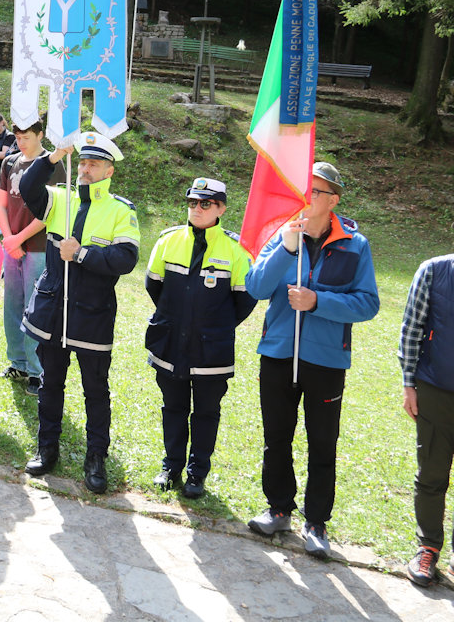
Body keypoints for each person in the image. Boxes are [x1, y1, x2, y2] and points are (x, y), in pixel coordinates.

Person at [245, 161, 379, 558]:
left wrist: (318, 301)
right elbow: (256, 286)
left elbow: (368, 303)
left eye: (315, 192)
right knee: (277, 437)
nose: (307, 198)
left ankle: (316, 522)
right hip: (278, 353)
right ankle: (278, 509)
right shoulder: (282, 234)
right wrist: (287, 248)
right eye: (304, 190)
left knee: (322, 442)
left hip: (326, 361)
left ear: (333, 200)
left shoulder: (356, 245)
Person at [19, 131, 140, 494]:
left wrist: (82, 254)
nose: (86, 169)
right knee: (50, 384)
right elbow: (27, 187)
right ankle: (47, 448)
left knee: (95, 390)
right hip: (53, 312)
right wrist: (54, 156)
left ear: (109, 171)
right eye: (83, 162)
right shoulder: (60, 198)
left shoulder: (121, 210)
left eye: (94, 164)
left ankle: (96, 457)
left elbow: (126, 259)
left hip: (92, 315)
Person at [145, 178, 256, 498]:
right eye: (192, 202)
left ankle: (196, 474)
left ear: (221, 208)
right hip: (170, 342)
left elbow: (244, 301)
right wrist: (177, 319)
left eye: (205, 203)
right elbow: (154, 287)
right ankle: (171, 466)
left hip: (211, 349)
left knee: (206, 411)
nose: (196, 208)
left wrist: (213, 327)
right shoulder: (168, 240)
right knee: (173, 407)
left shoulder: (236, 249)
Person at [0, 118, 64, 395]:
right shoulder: (9, 162)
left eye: (26, 137)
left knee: (35, 308)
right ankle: (18, 363)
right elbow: (1, 204)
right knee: (12, 305)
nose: (21, 142)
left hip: (38, 246)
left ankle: (37, 371)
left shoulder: (53, 164)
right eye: (18, 137)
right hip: (12, 246)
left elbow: (53, 211)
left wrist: (19, 238)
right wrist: (8, 238)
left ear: (40, 135)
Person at [399, 252, 454, 587]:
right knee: (432, 473)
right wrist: (409, 383)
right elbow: (412, 328)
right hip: (435, 389)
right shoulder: (433, 271)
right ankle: (428, 547)